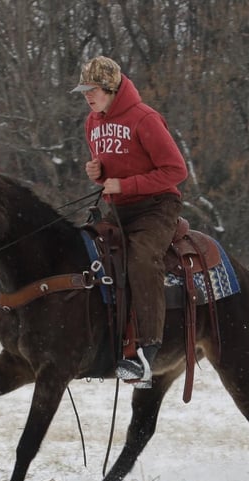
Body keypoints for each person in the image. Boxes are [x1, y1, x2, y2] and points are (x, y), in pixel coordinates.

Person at [71, 55, 187, 387]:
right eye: (84, 91)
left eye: (92, 90)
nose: (87, 97)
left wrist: (127, 185)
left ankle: (146, 351)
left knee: (141, 259)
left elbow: (176, 171)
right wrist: (98, 174)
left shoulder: (145, 118)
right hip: (119, 210)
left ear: (111, 88)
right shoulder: (92, 122)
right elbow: (112, 168)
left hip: (157, 207)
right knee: (89, 256)